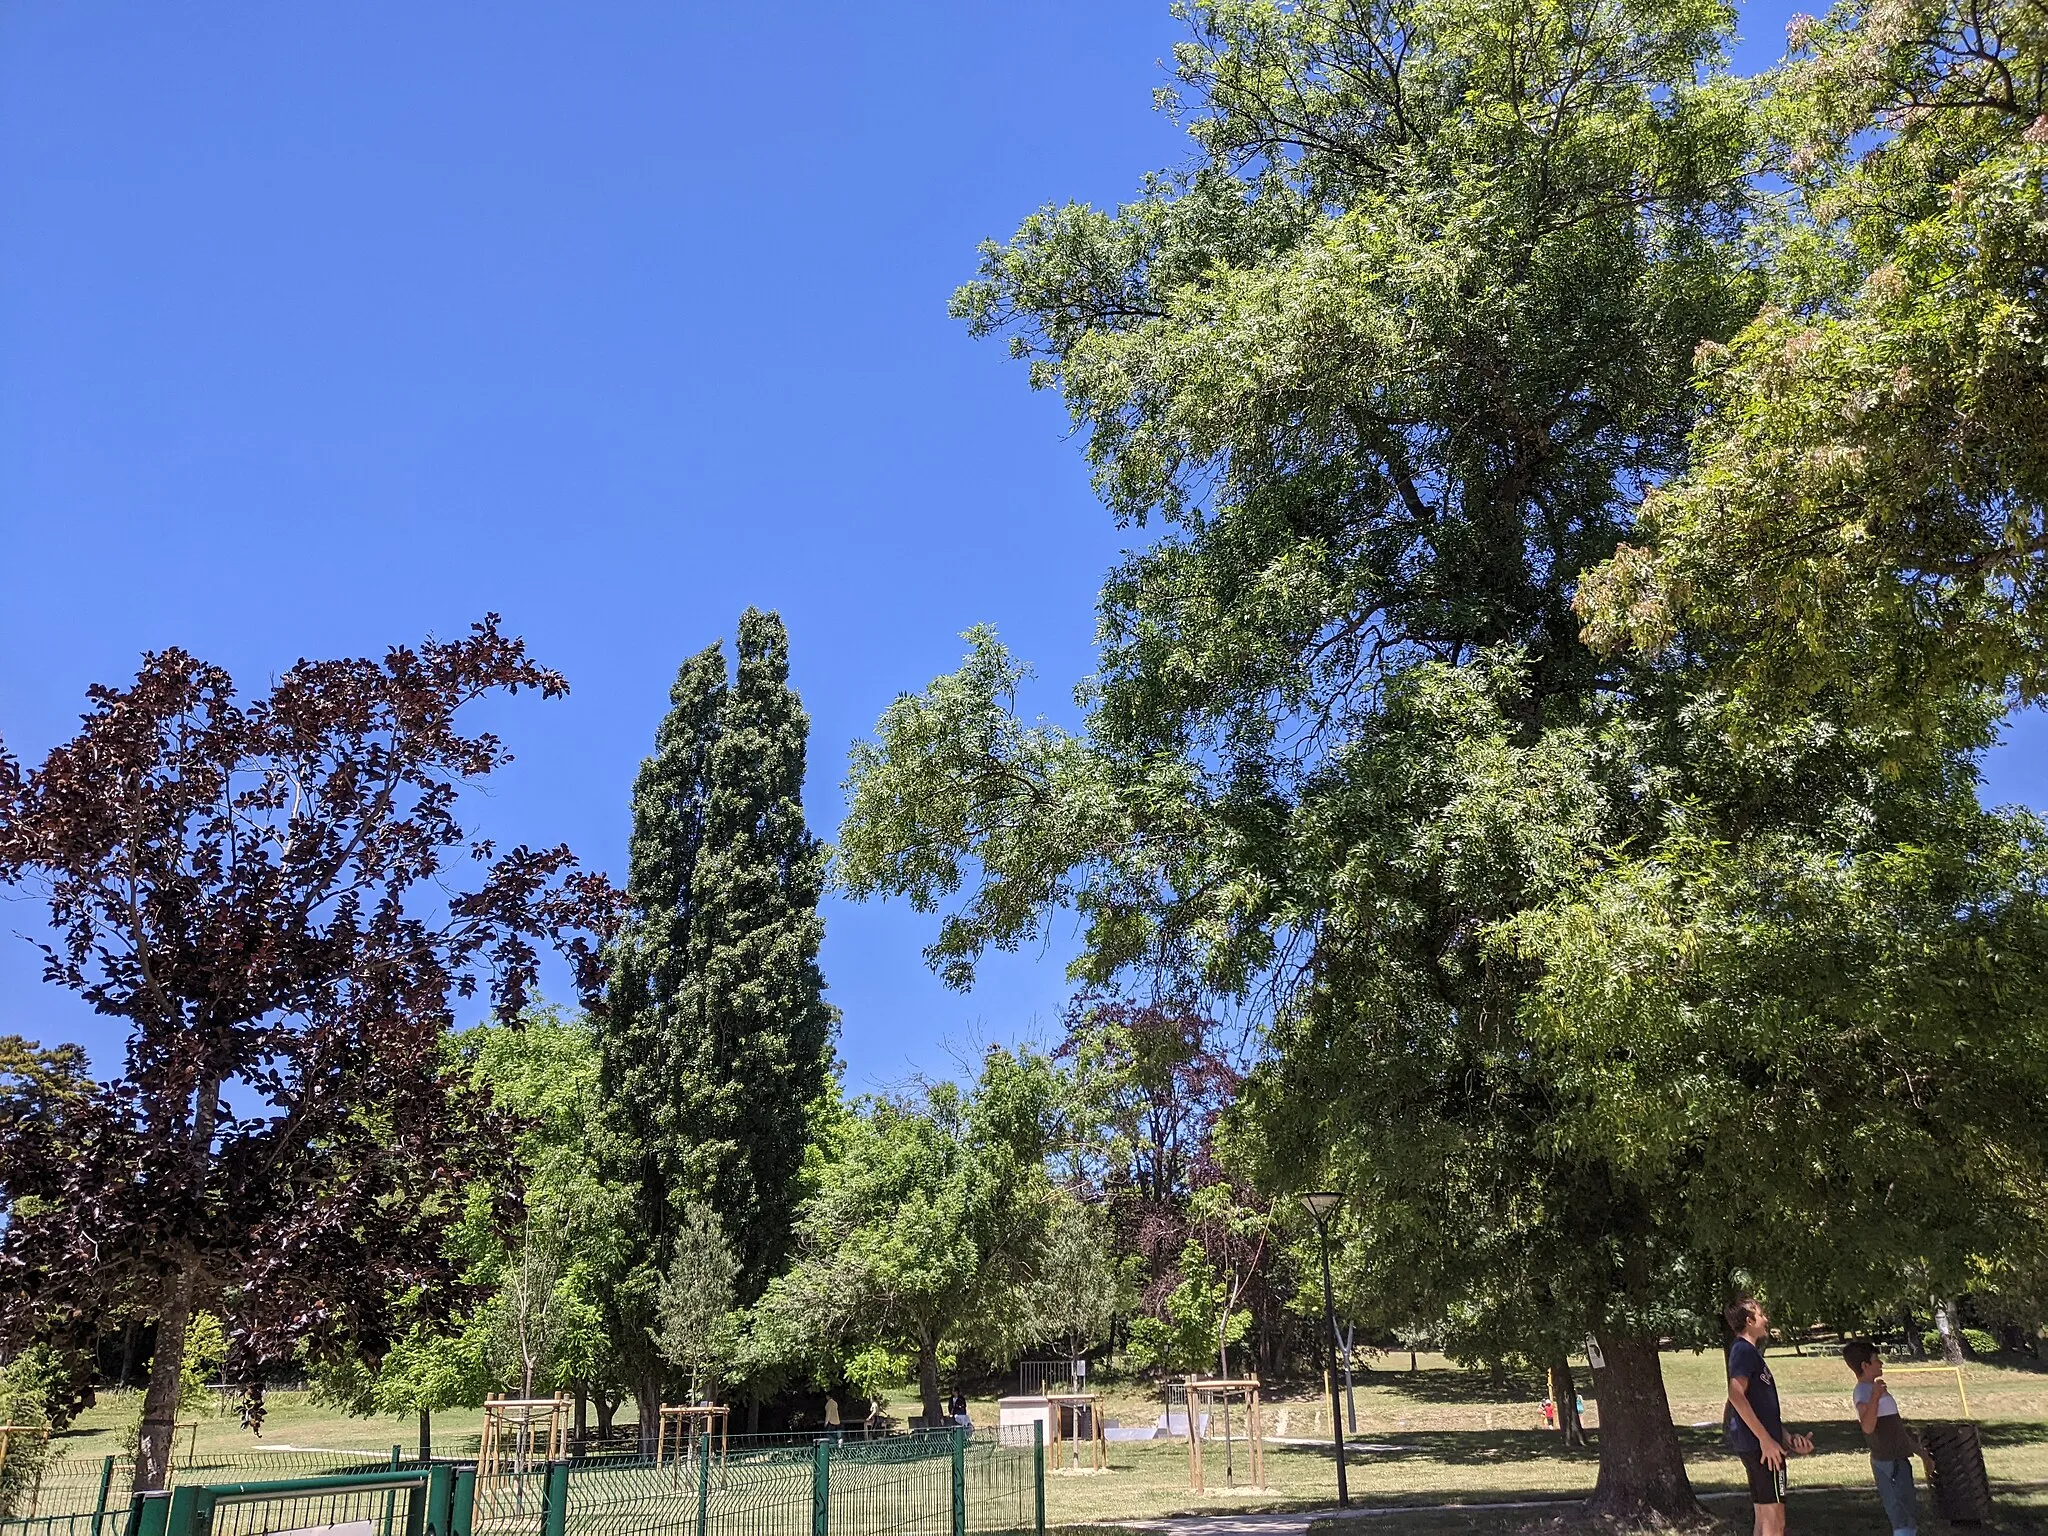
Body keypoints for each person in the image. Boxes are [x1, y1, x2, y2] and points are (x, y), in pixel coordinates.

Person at [1726, 1299, 1815, 1536]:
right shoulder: (1743, 1350)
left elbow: (1761, 1408)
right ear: (1749, 1321)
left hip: (1762, 1445)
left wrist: (1786, 1438)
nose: (1766, 1319)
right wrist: (1766, 1440)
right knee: (1775, 1523)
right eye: (1761, 1314)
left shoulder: (1748, 1353)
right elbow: (1736, 1395)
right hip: (1760, 1447)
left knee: (1765, 1520)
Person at [1844, 1340, 1932, 1536]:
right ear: (1865, 1366)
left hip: (1898, 1457)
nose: (1881, 1363)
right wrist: (1875, 1397)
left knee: (1908, 1514)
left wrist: (1921, 1453)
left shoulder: (1875, 1389)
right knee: (1901, 1518)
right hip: (1887, 1462)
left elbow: (1895, 1429)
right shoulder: (1863, 1391)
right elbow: (1867, 1427)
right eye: (1876, 1360)